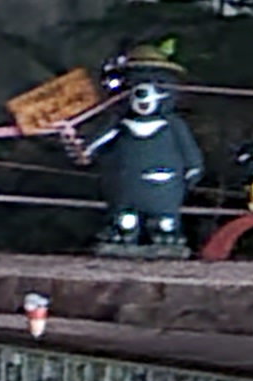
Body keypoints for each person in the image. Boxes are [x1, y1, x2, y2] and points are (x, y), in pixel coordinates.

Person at [64, 44, 206, 257]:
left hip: (164, 186)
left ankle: (165, 233)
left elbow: (189, 151)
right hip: (125, 185)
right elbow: (92, 145)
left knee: (164, 218)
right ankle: (123, 231)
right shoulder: (118, 122)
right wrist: (80, 148)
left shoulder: (173, 125)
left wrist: (194, 168)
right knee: (124, 217)